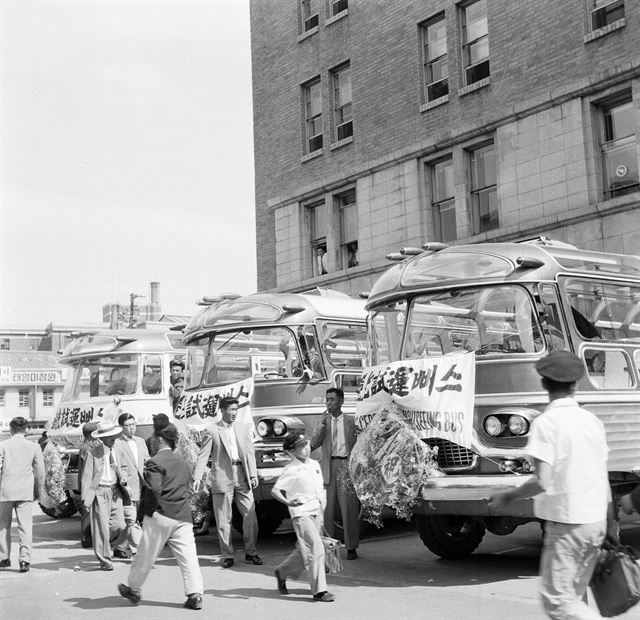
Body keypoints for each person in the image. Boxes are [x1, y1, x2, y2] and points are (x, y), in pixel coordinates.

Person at [488, 350, 613, 620]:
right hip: (595, 522)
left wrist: (507, 498)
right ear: (576, 384)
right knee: (575, 597)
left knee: (557, 602)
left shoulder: (547, 423)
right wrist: (609, 523)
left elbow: (542, 480)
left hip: (568, 524)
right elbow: (603, 476)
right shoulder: (592, 421)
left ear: (543, 383)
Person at [118, 423, 204, 610]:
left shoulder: (155, 462)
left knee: (145, 555)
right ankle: (195, 595)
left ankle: (133, 589)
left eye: (155, 438)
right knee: (188, 557)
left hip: (161, 514)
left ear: (161, 439)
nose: (152, 441)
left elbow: (154, 489)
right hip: (182, 514)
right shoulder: (182, 462)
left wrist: (147, 512)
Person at [193, 396, 262, 567]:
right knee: (224, 519)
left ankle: (251, 552)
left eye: (236, 410)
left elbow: (250, 452)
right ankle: (227, 555)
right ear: (222, 411)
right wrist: (197, 477)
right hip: (222, 476)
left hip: (242, 474)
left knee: (250, 515)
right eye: (231, 410)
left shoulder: (243, 428)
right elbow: (203, 456)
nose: (234, 413)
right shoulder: (212, 430)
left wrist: (252, 474)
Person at [271, 432, 335, 602]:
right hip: (301, 514)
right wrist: (289, 502)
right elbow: (275, 491)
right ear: (292, 451)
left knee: (305, 549)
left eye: (307, 445)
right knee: (315, 548)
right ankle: (319, 591)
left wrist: (322, 512)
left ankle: (283, 571)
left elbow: (320, 489)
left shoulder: (315, 464)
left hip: (316, 511)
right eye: (301, 446)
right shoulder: (290, 469)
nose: (306, 449)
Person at [310, 387, 360, 560]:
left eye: (332, 399)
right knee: (327, 510)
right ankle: (328, 549)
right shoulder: (324, 421)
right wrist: (322, 425)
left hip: (346, 465)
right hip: (328, 466)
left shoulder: (351, 421)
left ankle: (351, 546)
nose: (329, 403)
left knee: (349, 508)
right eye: (327, 399)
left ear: (341, 401)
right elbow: (313, 443)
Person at [81, 419, 129, 570]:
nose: (113, 438)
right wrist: (85, 500)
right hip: (99, 491)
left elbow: (125, 467)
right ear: (102, 438)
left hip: (116, 491)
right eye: (110, 436)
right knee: (101, 527)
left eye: (114, 435)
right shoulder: (93, 453)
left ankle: (109, 546)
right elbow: (87, 476)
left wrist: (123, 475)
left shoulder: (119, 450)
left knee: (120, 525)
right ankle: (105, 560)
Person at [0, 417, 45, 573]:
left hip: (5, 490)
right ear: (26, 429)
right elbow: (40, 472)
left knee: (3, 526)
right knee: (25, 526)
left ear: (11, 429)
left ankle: (4, 557)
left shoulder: (3, 445)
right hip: (25, 491)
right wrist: (39, 491)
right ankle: (25, 561)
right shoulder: (34, 446)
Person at [114, 412, 149, 558]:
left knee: (134, 517)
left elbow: (146, 460)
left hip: (141, 484)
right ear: (121, 427)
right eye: (128, 425)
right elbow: (117, 465)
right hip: (127, 485)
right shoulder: (117, 443)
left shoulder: (140, 441)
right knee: (130, 517)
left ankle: (121, 546)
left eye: (133, 425)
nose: (131, 428)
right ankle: (137, 548)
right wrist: (123, 481)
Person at [77, 421, 99, 548]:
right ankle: (86, 539)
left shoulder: (84, 447)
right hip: (89, 485)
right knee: (87, 512)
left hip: (85, 484)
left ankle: (88, 538)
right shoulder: (88, 449)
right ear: (92, 435)